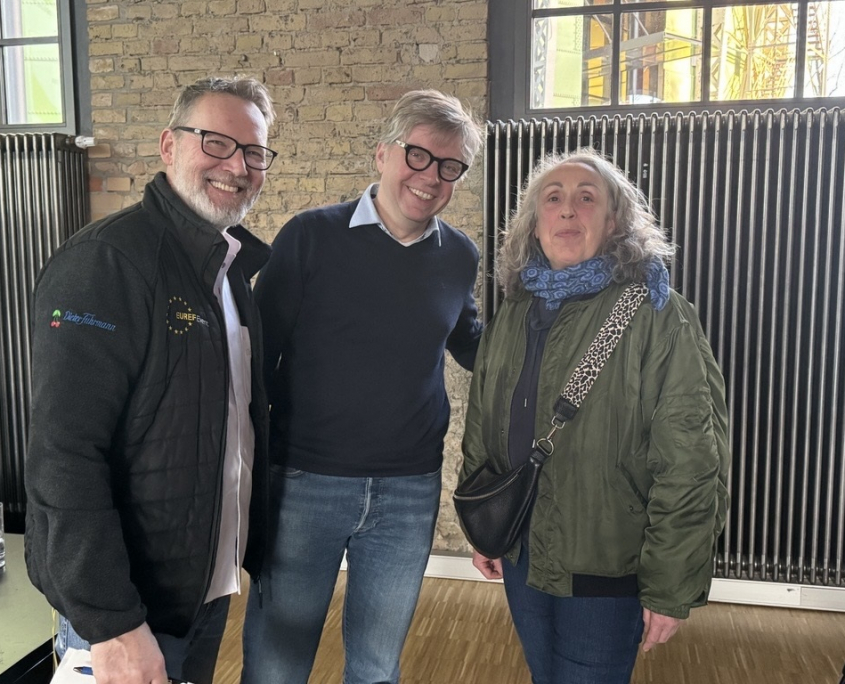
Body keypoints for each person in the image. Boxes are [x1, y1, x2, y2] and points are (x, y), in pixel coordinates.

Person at [25, 76, 277, 684]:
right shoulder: (106, 263)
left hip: (202, 586)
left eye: (254, 152)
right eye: (216, 143)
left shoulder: (228, 270)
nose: (237, 165)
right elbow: (65, 455)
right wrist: (113, 622)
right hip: (128, 611)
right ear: (169, 146)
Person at [459, 148, 731, 684]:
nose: (567, 211)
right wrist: (484, 526)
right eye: (553, 198)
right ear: (533, 224)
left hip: (606, 569)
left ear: (613, 223)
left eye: (587, 199)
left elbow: (693, 459)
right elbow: (482, 422)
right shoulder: (514, 309)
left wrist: (670, 584)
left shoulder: (656, 313)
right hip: (520, 551)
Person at [241, 89, 484, 684]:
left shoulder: (459, 256)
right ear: (383, 154)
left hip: (408, 490)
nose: (431, 177)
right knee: (277, 663)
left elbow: (476, 343)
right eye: (419, 156)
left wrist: (563, 336)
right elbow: (253, 352)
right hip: (305, 484)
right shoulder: (309, 237)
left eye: (450, 167)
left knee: (377, 667)